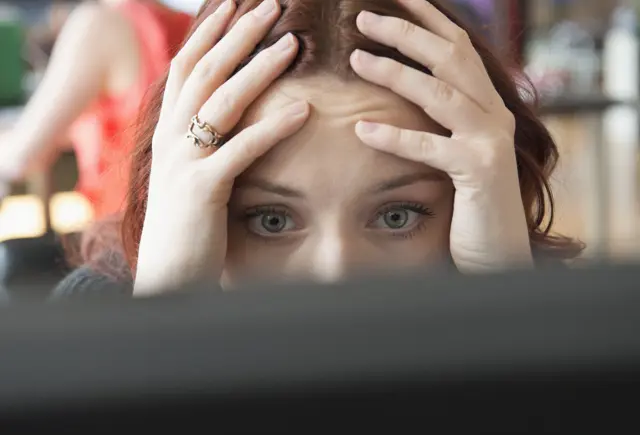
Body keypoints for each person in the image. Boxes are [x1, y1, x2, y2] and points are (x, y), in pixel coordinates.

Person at [52, 0, 583, 298]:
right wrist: (165, 324)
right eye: (271, 220)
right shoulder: (95, 320)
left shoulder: (555, 319)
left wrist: (505, 305)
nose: (336, 275)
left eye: (397, 216)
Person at [0, 0, 193, 219]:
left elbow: (21, 157)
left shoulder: (97, 26)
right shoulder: (193, 23)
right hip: (186, 227)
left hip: (129, 235)